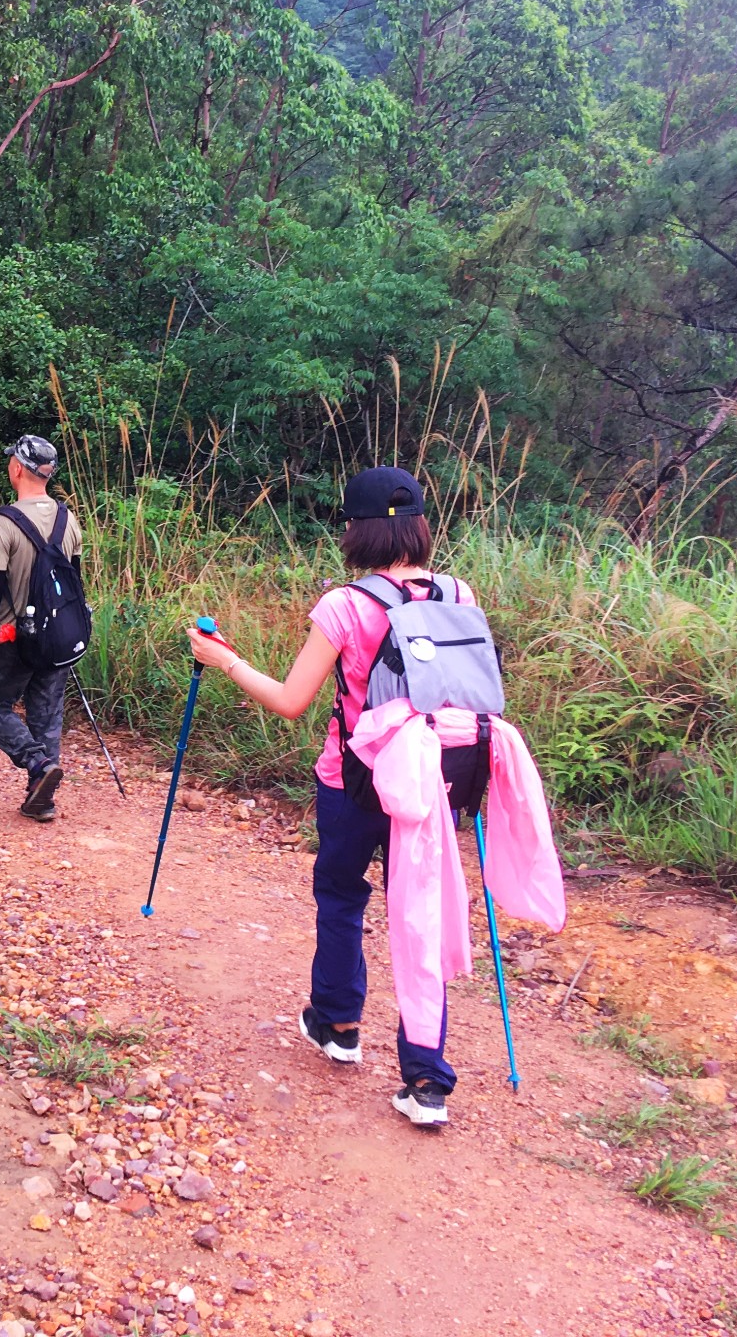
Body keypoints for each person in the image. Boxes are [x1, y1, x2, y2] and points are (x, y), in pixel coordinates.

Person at [187, 465, 481, 1129]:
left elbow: (292, 702)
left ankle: (339, 1022)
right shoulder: (460, 595)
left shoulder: (345, 606)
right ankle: (427, 1083)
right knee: (420, 918)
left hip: (354, 779)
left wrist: (223, 661)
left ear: (356, 531)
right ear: (419, 527)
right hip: (432, 779)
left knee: (343, 895)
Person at [0, 435, 82, 821]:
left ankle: (36, 763)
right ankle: (43, 799)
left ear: (17, 468)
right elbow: (74, 582)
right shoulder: (69, 520)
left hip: (12, 637)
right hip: (60, 635)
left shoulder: (5, 522)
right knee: (47, 715)